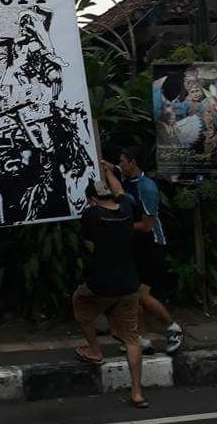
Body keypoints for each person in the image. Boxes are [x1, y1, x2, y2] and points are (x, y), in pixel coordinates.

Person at [73, 177, 147, 408]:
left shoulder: (91, 215)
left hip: (102, 284)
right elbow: (120, 189)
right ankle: (137, 393)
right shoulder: (126, 207)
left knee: (80, 304)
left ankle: (94, 350)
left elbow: (90, 245)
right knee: (132, 338)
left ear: (92, 199)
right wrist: (107, 170)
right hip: (130, 283)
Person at [105, 149, 184, 355]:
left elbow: (147, 226)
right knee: (131, 293)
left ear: (133, 162)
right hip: (135, 244)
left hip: (152, 244)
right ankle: (139, 338)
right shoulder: (126, 177)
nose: (120, 164)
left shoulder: (146, 187)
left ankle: (173, 328)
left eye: (122, 161)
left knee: (141, 294)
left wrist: (119, 225)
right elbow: (110, 168)